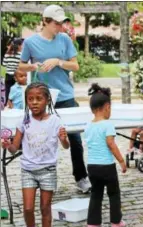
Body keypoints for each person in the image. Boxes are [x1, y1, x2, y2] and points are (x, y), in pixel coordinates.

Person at [19, 4, 91, 193]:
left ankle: (81, 177)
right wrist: (34, 67)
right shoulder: (30, 43)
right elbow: (21, 67)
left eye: (61, 23)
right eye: (56, 24)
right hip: (42, 99)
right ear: (45, 21)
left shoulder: (65, 39)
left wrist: (58, 62)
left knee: (75, 139)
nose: (60, 27)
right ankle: (41, 180)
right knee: (41, 139)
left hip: (66, 96)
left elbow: (75, 66)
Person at [1, 82, 70, 227]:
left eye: (39, 98)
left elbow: (66, 146)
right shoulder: (23, 120)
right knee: (28, 208)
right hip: (28, 170)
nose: (34, 102)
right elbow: (15, 148)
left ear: (47, 100)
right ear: (26, 101)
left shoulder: (55, 121)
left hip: (48, 170)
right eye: (30, 99)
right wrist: (7, 145)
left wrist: (64, 139)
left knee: (45, 208)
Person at [84, 83, 126, 227]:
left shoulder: (88, 126)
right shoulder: (108, 125)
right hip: (107, 166)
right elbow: (111, 144)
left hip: (92, 166)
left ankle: (93, 223)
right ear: (107, 107)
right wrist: (121, 161)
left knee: (96, 194)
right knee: (113, 193)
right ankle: (116, 222)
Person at [2, 38, 23, 104]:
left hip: (8, 75)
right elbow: (20, 66)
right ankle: (14, 104)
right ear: (19, 45)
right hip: (16, 75)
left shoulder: (7, 54)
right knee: (16, 91)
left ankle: (7, 105)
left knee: (7, 91)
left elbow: (4, 65)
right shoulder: (20, 55)